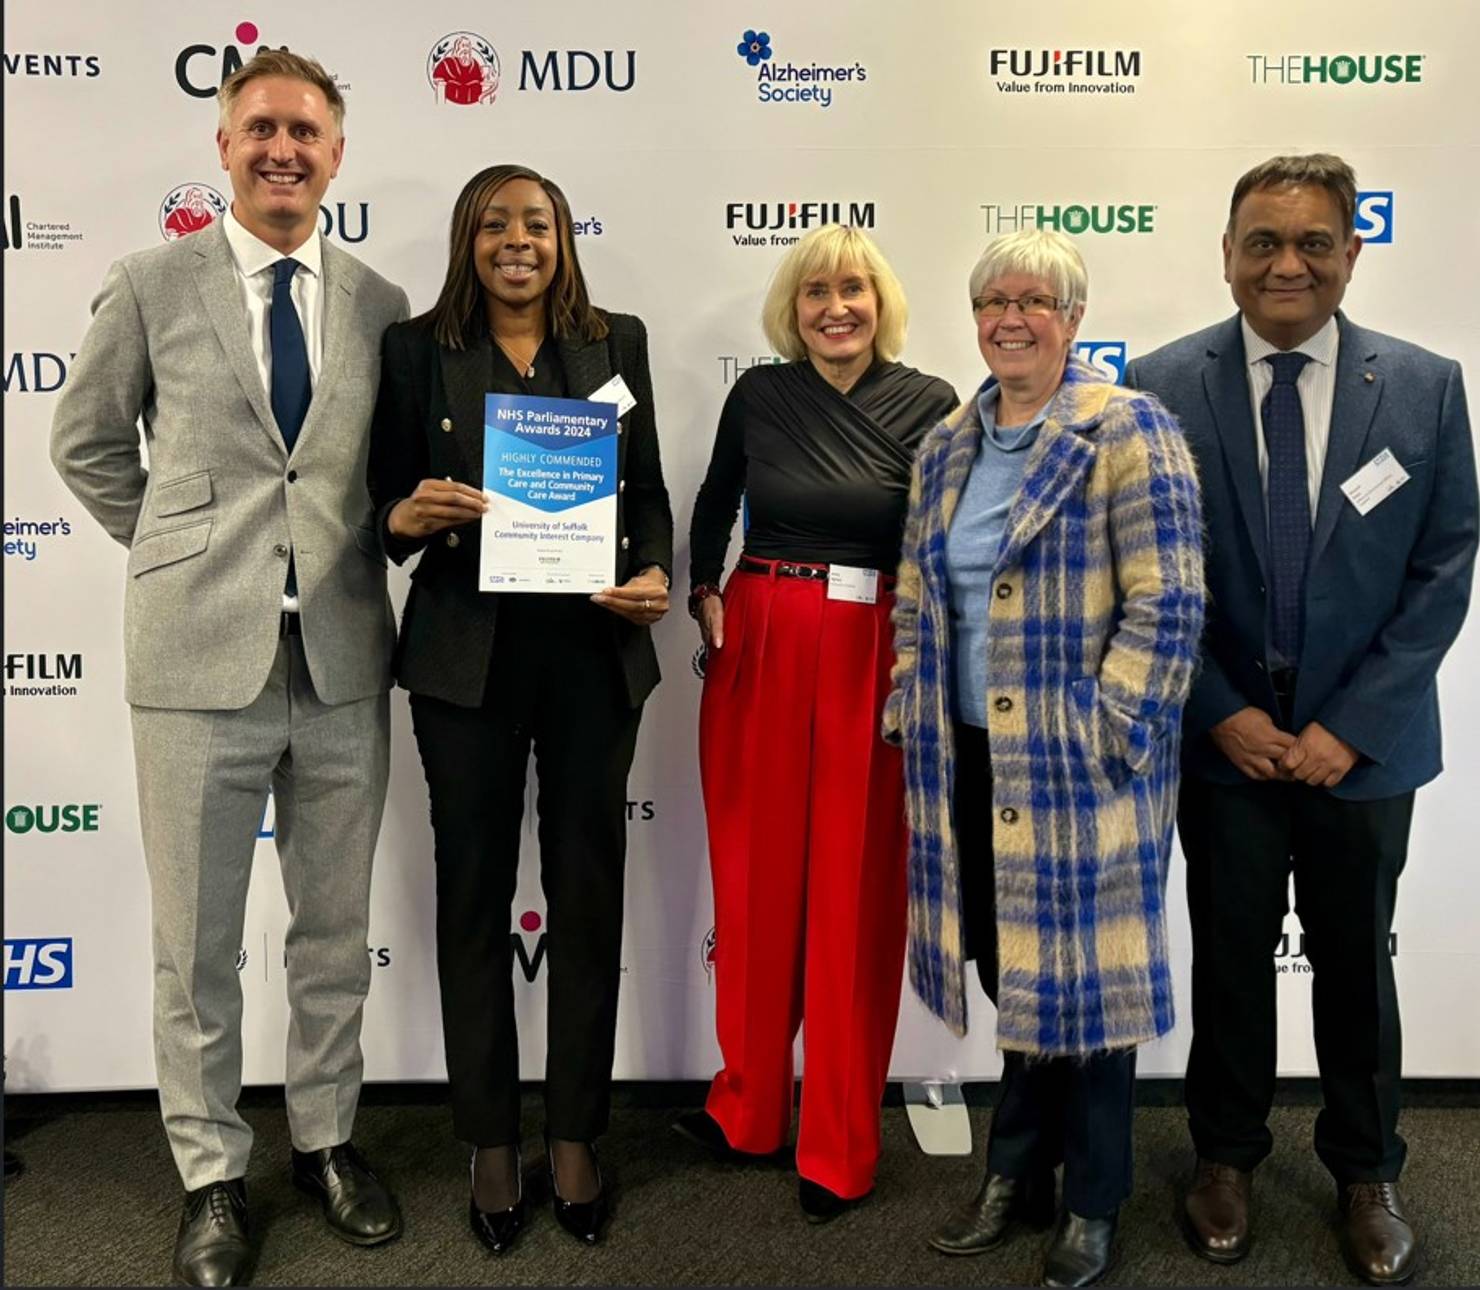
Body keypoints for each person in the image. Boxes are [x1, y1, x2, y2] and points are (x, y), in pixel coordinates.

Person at [50, 51, 409, 1286]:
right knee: (196, 943)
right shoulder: (154, 283)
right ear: (222, 147)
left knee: (333, 930)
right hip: (198, 662)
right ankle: (210, 1173)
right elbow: (87, 440)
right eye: (260, 128)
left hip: (347, 660)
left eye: (306, 131)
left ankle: (325, 1141)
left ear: (336, 154)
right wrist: (174, 546)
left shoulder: (379, 301)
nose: (282, 150)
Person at [1125, 153, 1478, 1287]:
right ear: (1225, 254)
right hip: (1221, 744)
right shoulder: (1160, 385)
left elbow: (1441, 565)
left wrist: (1351, 726)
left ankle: (1366, 1170)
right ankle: (1222, 1158)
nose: (1287, 263)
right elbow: (1141, 570)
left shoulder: (1422, 386)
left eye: (1313, 242)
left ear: (1350, 251)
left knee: (1355, 965)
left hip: (1360, 757)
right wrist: (1220, 712)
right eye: (1263, 242)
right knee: (1227, 959)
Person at [884, 227, 1205, 1287]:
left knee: (1091, 994)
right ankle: (1015, 1174)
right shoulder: (945, 444)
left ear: (1072, 317)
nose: (1010, 317)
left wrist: (1112, 729)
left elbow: (1168, 602)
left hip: (1081, 768)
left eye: (1034, 300)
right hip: (965, 760)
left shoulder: (1127, 429)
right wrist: (905, 705)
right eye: (992, 301)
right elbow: (918, 595)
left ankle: (1093, 1199)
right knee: (1008, 969)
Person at [368, 163, 672, 1252]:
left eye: (535, 223)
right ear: (467, 239)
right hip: (466, 665)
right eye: (494, 223)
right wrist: (405, 515)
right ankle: (492, 1140)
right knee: (472, 900)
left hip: (593, 659)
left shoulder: (613, 341)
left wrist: (652, 575)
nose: (516, 241)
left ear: (561, 240)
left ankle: (578, 1133)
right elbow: (378, 503)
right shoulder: (416, 349)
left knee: (588, 895)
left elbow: (644, 492)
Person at [679, 224, 957, 1221]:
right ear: (789, 311)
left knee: (852, 899)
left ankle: (838, 1141)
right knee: (753, 883)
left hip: (871, 655)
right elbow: (715, 502)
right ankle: (747, 1104)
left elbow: (946, 545)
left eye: (853, 289)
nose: (835, 307)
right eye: (814, 293)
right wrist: (703, 591)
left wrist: (920, 665)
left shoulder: (932, 403)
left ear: (879, 302)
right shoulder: (759, 395)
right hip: (759, 638)